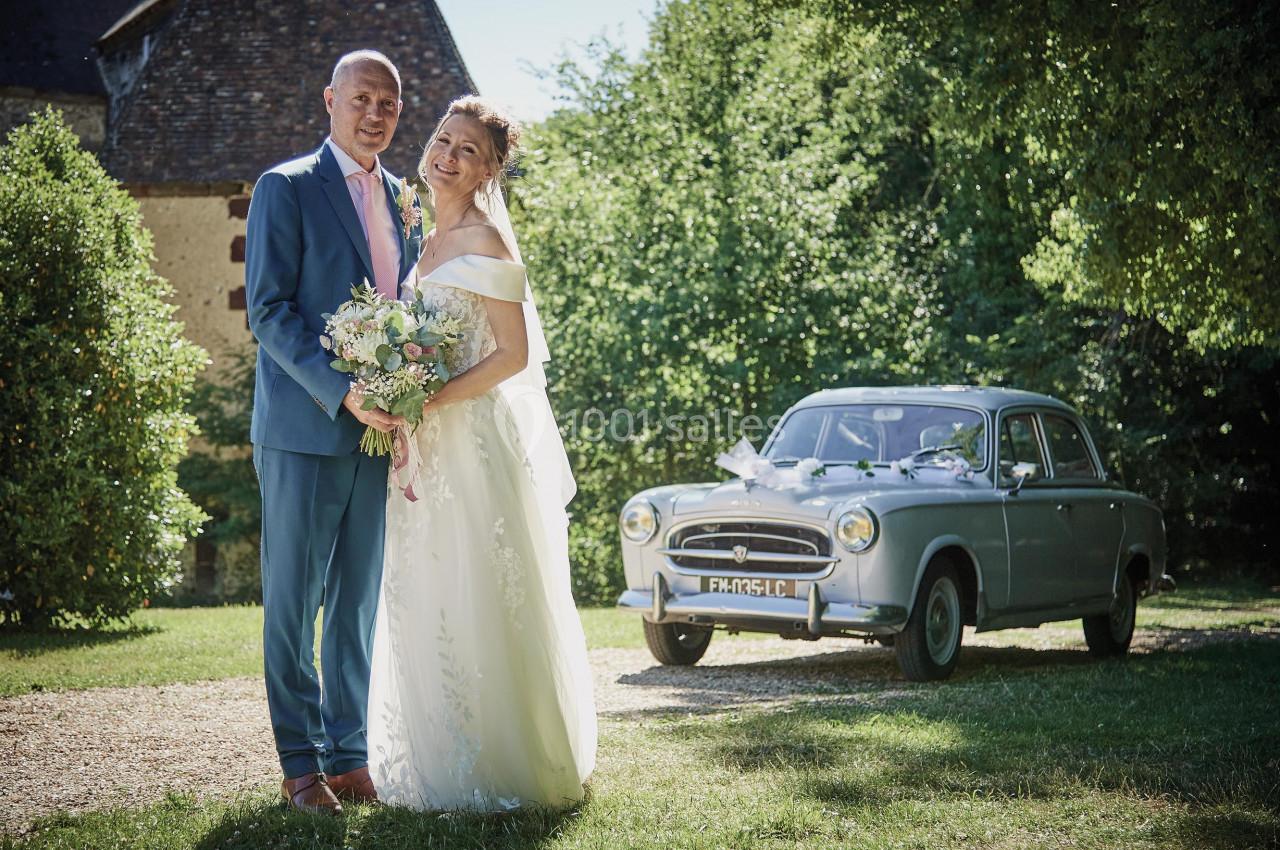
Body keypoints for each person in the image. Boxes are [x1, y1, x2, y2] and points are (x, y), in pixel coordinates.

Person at [367, 95, 597, 812]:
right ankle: (433, 756)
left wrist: (430, 399)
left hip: (469, 439)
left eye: (468, 150)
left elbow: (512, 355)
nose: (448, 155)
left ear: (488, 171)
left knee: (479, 585)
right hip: (421, 445)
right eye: (444, 140)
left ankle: (505, 762)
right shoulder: (422, 235)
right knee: (426, 584)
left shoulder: (486, 241)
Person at [244, 50, 423, 815]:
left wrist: (405, 392)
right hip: (305, 426)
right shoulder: (284, 187)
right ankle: (300, 766)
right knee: (294, 602)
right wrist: (342, 391)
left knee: (355, 602)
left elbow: (409, 310)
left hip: (378, 434)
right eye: (361, 98)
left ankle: (349, 758)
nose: (375, 113)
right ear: (330, 99)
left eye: (388, 102)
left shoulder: (405, 198)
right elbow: (267, 310)